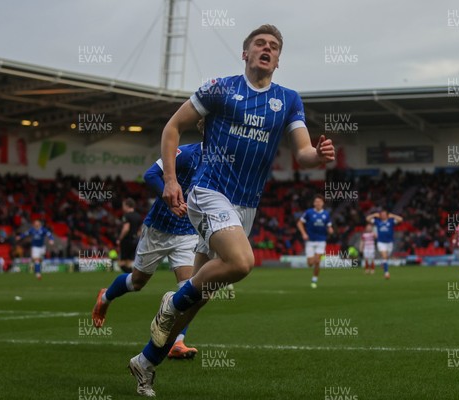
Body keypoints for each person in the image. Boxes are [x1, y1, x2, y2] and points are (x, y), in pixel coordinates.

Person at [127, 24, 335, 397]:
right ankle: (171, 299)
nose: (266, 49)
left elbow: (302, 152)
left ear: (278, 58)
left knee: (201, 296)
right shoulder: (220, 88)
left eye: (273, 46)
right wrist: (172, 180)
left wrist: (316, 156)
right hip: (209, 192)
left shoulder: (288, 100)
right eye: (259, 44)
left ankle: (145, 362)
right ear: (246, 53)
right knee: (241, 263)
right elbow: (173, 127)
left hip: (246, 206)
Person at [92, 141, 202, 359]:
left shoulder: (224, 159)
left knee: (189, 290)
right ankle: (105, 297)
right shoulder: (186, 153)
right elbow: (150, 175)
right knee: (137, 282)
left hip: (188, 232)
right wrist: (170, 198)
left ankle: (177, 343)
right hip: (158, 230)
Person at [296, 194, 333, 288]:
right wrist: (304, 233)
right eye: (316, 201)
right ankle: (315, 262)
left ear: (323, 203)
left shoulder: (326, 214)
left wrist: (330, 229)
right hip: (310, 241)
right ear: (313, 203)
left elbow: (329, 226)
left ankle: (314, 279)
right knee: (310, 263)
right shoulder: (309, 212)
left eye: (319, 201)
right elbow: (299, 223)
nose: (318, 203)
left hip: (321, 240)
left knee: (317, 262)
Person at [366, 210, 403, 279]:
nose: (383, 215)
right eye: (382, 214)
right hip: (381, 242)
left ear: (387, 215)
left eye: (384, 214)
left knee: (386, 257)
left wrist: (393, 215)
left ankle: (383, 263)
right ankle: (386, 273)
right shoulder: (377, 221)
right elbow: (367, 219)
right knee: (385, 256)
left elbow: (401, 219)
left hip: (389, 242)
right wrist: (374, 214)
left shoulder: (391, 221)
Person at [117, 198, 142, 273]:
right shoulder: (138, 216)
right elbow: (140, 230)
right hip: (135, 241)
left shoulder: (126, 216)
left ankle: (131, 277)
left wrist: (120, 238)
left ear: (127, 206)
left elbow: (126, 228)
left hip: (126, 240)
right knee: (128, 263)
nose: (122, 207)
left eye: (123, 205)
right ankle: (130, 280)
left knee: (121, 263)